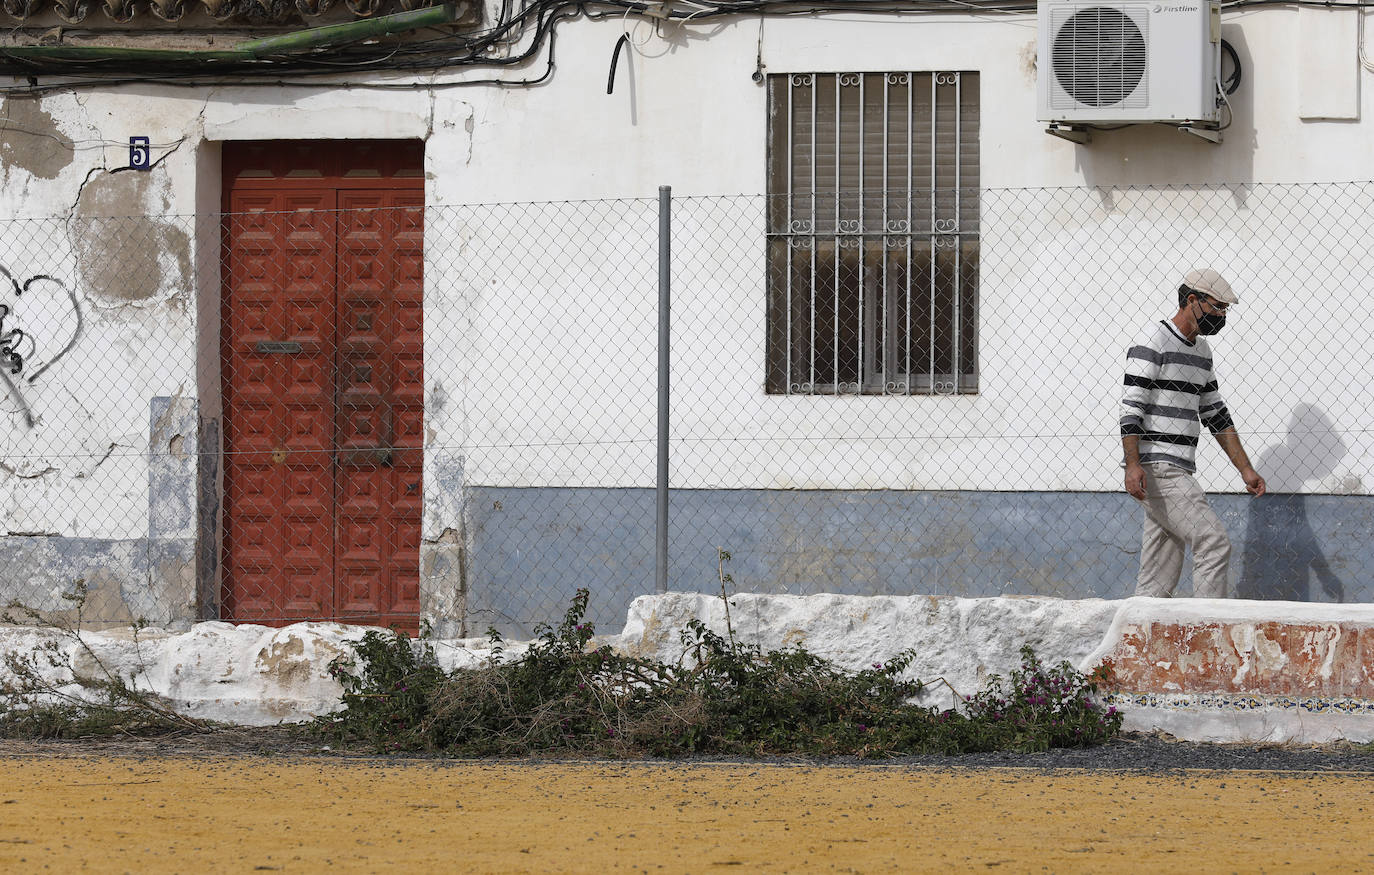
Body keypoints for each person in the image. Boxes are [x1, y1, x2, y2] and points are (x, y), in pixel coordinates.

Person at [1119, 268, 1266, 598]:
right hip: (1159, 468)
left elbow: (1216, 414)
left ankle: (1141, 640)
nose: (1221, 316)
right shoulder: (1152, 342)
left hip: (1178, 468)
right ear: (1191, 300)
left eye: (1225, 310)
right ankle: (1209, 633)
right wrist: (1132, 464)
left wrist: (1245, 470)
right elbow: (1132, 408)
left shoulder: (1202, 353)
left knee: (1157, 579)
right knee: (1213, 544)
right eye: (1217, 307)